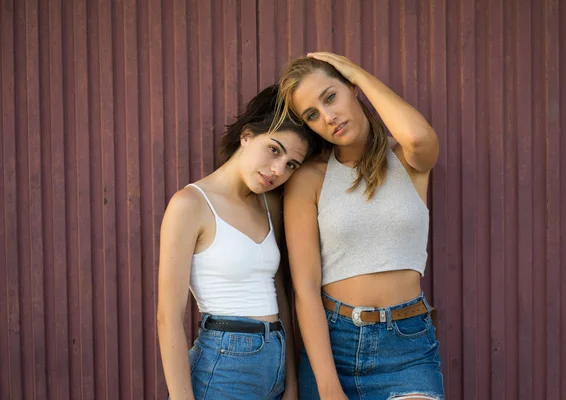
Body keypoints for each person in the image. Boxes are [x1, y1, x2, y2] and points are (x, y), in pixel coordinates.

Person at [274, 52, 444, 400]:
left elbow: (419, 139)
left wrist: (359, 74)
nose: (328, 117)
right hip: (334, 346)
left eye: (331, 97)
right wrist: (328, 387)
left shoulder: (407, 161)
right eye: (313, 115)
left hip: (408, 346)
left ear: (353, 88)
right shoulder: (309, 179)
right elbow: (305, 287)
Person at [157, 84, 315, 400]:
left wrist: (291, 383)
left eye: (291, 165)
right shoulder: (190, 204)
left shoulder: (269, 205)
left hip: (276, 362)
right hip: (225, 367)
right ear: (246, 136)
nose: (277, 170)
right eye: (274, 150)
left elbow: (278, 292)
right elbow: (169, 317)